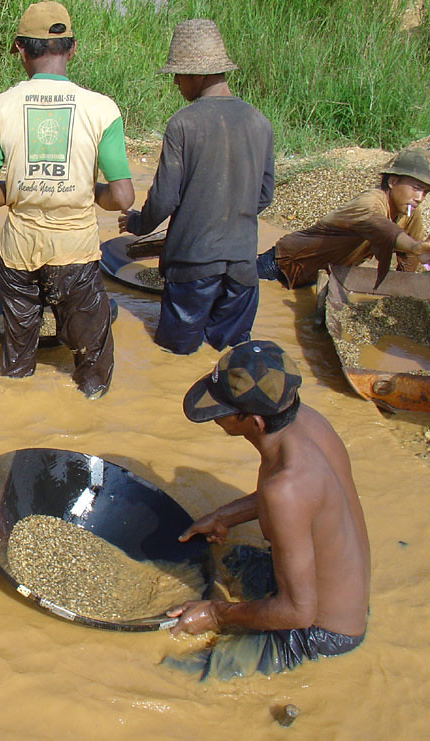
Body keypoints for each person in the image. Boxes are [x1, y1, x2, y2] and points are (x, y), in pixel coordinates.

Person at [164, 340, 370, 681]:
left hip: (322, 630)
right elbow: (305, 497)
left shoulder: (285, 490)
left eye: (222, 409)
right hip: (343, 593)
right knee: (230, 559)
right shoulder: (306, 421)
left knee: (176, 670)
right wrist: (226, 515)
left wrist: (216, 614)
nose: (215, 416)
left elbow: (297, 613)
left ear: (254, 422)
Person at [0, 1, 134, 398]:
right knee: (93, 366)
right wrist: (87, 190)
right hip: (76, 253)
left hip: (19, 254)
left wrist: (20, 187)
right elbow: (123, 196)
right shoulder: (102, 109)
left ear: (22, 50)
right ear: (71, 49)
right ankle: (88, 420)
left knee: (17, 366)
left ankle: (16, 422)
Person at [118, 19, 274, 355]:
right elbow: (264, 195)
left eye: (178, 73)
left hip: (193, 267)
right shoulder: (260, 122)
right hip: (243, 269)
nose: (175, 81)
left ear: (198, 75)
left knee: (174, 357)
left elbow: (163, 199)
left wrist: (136, 224)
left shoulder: (184, 123)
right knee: (231, 360)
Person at [257, 148, 430, 289]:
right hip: (283, 265)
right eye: (416, 188)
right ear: (392, 182)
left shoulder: (409, 214)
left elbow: (410, 256)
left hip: (320, 275)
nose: (420, 197)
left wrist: (402, 290)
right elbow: (379, 226)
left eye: (425, 192)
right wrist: (413, 246)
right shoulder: (369, 202)